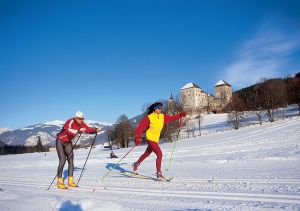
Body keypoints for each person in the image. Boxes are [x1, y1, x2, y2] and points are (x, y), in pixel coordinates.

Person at [133, 102, 186, 181]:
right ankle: (159, 174)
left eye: (161, 108)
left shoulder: (162, 116)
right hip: (150, 138)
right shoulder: (149, 117)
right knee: (159, 154)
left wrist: (181, 115)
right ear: (155, 109)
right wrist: (137, 138)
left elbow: (172, 118)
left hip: (155, 139)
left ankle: (136, 164)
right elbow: (140, 128)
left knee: (147, 153)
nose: (161, 109)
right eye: (159, 108)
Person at [56, 111, 99, 189]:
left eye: (82, 119)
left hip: (68, 142)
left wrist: (95, 130)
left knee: (71, 160)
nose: (81, 120)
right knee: (62, 160)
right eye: (80, 119)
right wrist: (78, 131)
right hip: (60, 141)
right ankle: (59, 182)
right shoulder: (70, 121)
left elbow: (88, 129)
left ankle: (70, 181)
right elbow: (69, 131)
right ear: (75, 118)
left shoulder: (82, 123)